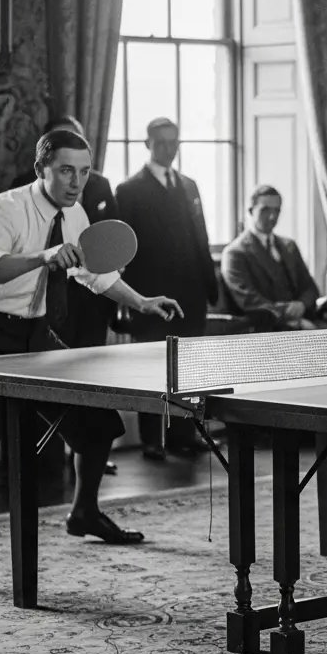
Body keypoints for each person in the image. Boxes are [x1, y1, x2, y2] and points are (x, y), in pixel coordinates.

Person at [0, 129, 183, 596]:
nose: (77, 181)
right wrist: (42, 256)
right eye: (66, 170)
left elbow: (95, 273)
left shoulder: (73, 215)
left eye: (85, 171)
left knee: (96, 426)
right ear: (41, 170)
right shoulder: (6, 208)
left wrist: (141, 300)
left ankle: (84, 512)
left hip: (33, 333)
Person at [115, 117, 217, 459]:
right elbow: (125, 251)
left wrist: (209, 288)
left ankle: (184, 435)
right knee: (152, 369)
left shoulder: (189, 185)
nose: (168, 149)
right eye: (161, 143)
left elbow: (201, 240)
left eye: (174, 143)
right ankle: (151, 440)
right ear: (148, 144)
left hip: (190, 296)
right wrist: (134, 301)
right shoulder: (129, 190)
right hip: (151, 298)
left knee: (187, 372)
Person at [10, 115, 120, 349]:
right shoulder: (22, 186)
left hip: (92, 300)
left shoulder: (101, 184)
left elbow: (113, 237)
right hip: (43, 300)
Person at [220, 185, 327, 331]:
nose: (272, 217)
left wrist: (301, 305)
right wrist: (290, 318)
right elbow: (248, 300)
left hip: (302, 321)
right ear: (251, 211)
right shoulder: (235, 253)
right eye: (265, 210)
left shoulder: (289, 247)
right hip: (263, 329)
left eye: (277, 210)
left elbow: (310, 288)